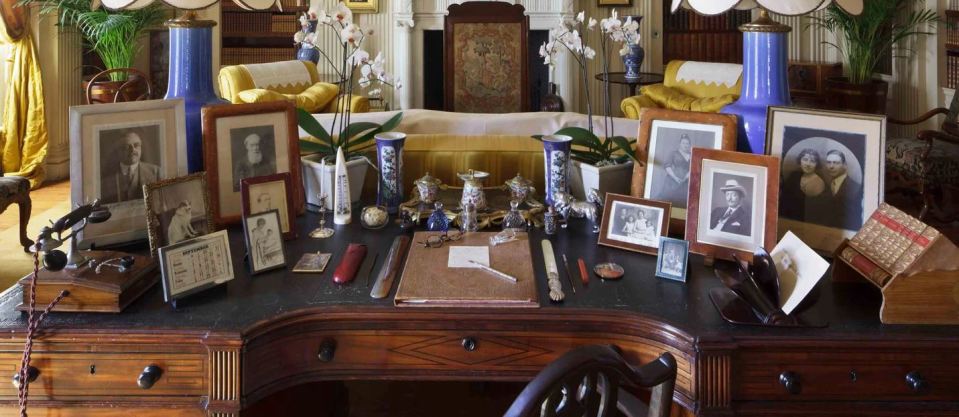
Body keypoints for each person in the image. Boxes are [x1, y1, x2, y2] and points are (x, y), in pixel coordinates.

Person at [101, 130, 160, 204]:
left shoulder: (156, 172)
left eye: (136, 145)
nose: (133, 150)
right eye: (127, 146)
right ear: (118, 151)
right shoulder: (105, 175)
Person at [781, 148, 828, 222]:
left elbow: (814, 210)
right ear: (800, 161)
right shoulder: (794, 176)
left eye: (812, 161)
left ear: (817, 164)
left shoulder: (819, 182)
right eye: (805, 159)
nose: (808, 164)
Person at [823, 149, 864, 230]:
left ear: (845, 165)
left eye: (836, 163)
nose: (831, 166)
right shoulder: (825, 184)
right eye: (829, 162)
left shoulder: (854, 187)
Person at [659, 134, 693, 206]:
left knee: (684, 201)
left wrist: (687, 177)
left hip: (687, 181)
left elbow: (693, 167)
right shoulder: (673, 153)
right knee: (669, 200)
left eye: (687, 143)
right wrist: (675, 178)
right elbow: (667, 166)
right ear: (680, 144)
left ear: (689, 145)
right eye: (683, 143)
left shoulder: (692, 155)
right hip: (673, 181)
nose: (685, 145)